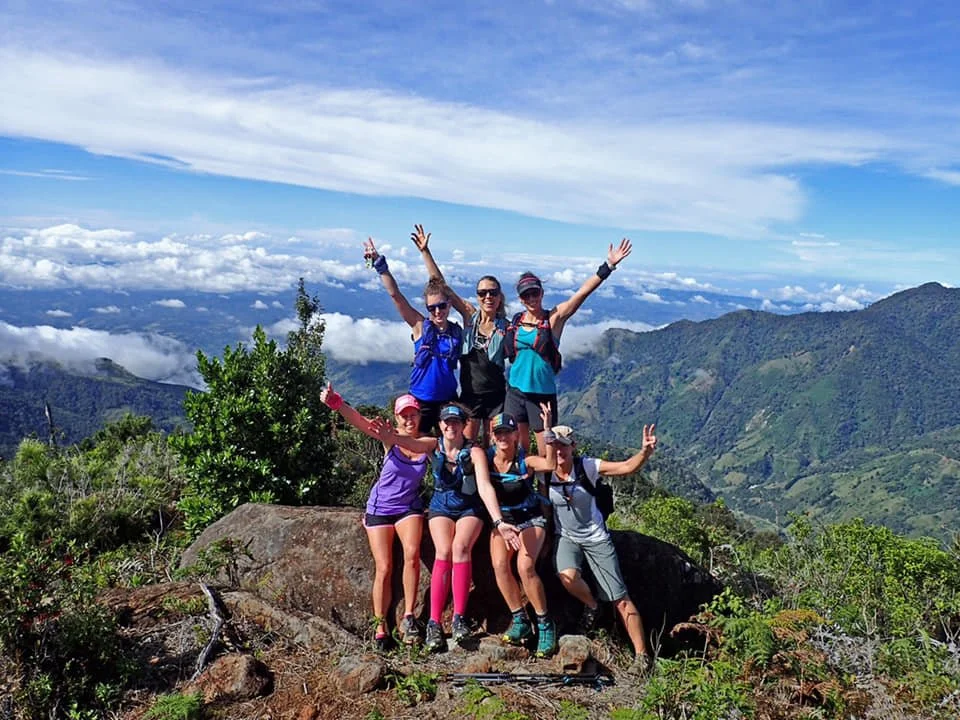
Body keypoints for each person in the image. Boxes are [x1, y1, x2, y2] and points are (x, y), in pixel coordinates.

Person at [320, 383, 430, 650]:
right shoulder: (387, 436)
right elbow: (359, 421)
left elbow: (420, 444)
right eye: (404, 414)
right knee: (384, 567)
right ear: (396, 417)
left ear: (419, 416)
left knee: (412, 555)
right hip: (380, 509)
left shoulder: (427, 442)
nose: (408, 419)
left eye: (413, 414)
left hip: (408, 508)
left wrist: (392, 437)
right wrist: (337, 403)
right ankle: (381, 627)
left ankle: (408, 617)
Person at [545, 423, 657, 672]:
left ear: (573, 446)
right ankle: (593, 606)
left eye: (563, 446)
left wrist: (644, 453)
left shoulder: (587, 467)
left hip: (596, 538)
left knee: (620, 598)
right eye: (554, 445)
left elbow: (626, 467)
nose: (559, 451)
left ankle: (642, 657)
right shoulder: (544, 471)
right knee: (567, 576)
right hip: (566, 537)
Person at [504, 239, 633, 454]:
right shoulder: (516, 321)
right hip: (515, 392)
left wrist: (608, 266)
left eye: (535, 293)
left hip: (542, 395)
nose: (531, 298)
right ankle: (523, 487)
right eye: (526, 295)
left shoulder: (553, 319)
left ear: (542, 293)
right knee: (517, 449)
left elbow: (581, 294)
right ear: (520, 299)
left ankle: (545, 489)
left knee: (547, 454)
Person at [416, 402, 522, 652]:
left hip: (469, 508)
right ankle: (434, 622)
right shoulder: (433, 445)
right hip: (441, 505)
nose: (450, 426)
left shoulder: (474, 452)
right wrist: (340, 406)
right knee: (443, 552)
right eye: (447, 422)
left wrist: (499, 522)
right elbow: (392, 437)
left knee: (460, 547)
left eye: (456, 422)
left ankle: (459, 617)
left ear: (465, 426)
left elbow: (484, 487)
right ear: (440, 425)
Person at [410, 224, 508, 444]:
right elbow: (444, 288)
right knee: (465, 448)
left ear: (500, 297)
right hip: (470, 395)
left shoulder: (507, 327)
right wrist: (426, 253)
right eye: (482, 293)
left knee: (494, 447)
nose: (488, 297)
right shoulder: (470, 318)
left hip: (497, 396)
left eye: (493, 292)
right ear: (478, 296)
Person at [364, 237, 462, 434]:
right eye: (431, 308)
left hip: (448, 399)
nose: (437, 312)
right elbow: (396, 296)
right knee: (419, 449)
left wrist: (426, 252)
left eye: (442, 306)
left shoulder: (457, 331)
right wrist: (380, 265)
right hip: (421, 400)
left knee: (452, 447)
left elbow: (443, 287)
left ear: (449, 305)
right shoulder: (420, 326)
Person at [486, 409, 560, 657]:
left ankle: (545, 623)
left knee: (525, 567)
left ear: (516, 435)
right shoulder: (485, 460)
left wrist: (547, 429)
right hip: (503, 522)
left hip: (530, 519)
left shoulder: (524, 461)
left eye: (507, 432)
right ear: (492, 436)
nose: (503, 437)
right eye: (499, 433)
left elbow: (549, 464)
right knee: (499, 565)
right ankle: (520, 620)